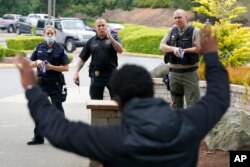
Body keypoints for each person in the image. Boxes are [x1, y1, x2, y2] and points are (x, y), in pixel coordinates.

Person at [16, 25, 230, 166]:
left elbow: (58, 130)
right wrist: (210, 55)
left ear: (118, 101)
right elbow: (219, 96)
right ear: (150, 90)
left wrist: (31, 89)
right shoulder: (189, 124)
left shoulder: (111, 139)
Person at [27, 25, 70, 145]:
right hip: (41, 82)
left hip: (55, 82)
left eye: (52, 33)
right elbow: (29, 63)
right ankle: (38, 137)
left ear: (55, 34)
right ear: (44, 34)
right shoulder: (39, 47)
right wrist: (36, 63)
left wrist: (51, 67)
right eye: (48, 33)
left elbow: (66, 68)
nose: (50, 36)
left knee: (57, 109)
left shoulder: (60, 49)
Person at [159, 9, 201, 110]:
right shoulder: (171, 31)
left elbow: (199, 48)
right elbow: (161, 46)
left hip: (190, 74)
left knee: (193, 104)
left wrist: (183, 51)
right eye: (175, 18)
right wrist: (174, 49)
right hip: (173, 74)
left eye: (180, 17)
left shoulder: (195, 31)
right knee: (175, 104)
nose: (177, 20)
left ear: (186, 17)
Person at [73, 17, 123, 99]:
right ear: (95, 28)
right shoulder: (91, 41)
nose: (101, 28)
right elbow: (82, 59)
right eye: (99, 26)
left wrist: (111, 38)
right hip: (97, 75)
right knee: (95, 101)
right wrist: (76, 72)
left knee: (117, 100)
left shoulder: (114, 38)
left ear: (106, 26)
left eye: (103, 25)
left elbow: (120, 50)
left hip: (112, 74)